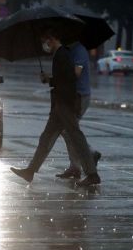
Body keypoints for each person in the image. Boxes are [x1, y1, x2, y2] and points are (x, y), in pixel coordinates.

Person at [10, 28, 101, 187]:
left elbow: (71, 79)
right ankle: (30, 171)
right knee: (46, 138)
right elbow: (63, 78)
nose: (44, 45)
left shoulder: (63, 55)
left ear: (51, 39)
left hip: (64, 104)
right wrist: (50, 80)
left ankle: (92, 174)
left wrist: (63, 100)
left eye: (45, 41)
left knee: (75, 137)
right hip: (59, 105)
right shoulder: (61, 54)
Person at [55, 40, 102, 179]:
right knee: (67, 130)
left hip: (79, 97)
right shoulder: (67, 50)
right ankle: (75, 166)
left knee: (68, 129)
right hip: (71, 96)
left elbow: (76, 72)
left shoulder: (79, 50)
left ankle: (89, 155)